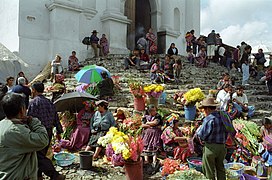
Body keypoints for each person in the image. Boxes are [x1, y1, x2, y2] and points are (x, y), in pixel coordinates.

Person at [0, 93, 48, 180]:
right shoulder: (16, 131)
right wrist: (33, 121)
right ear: (22, 110)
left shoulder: (2, 124)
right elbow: (43, 139)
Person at [27, 82, 65, 180]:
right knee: (41, 154)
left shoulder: (33, 103)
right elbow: (56, 117)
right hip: (48, 132)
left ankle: (55, 175)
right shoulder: (49, 102)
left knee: (38, 156)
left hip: (37, 132)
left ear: (34, 90)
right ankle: (38, 175)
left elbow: (29, 119)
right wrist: (59, 131)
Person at [197, 97, 229, 180]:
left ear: (207, 109)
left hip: (211, 148)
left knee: (209, 171)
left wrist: (198, 130)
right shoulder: (223, 116)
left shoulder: (209, 119)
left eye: (203, 109)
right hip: (222, 147)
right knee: (220, 169)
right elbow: (229, 130)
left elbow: (202, 135)